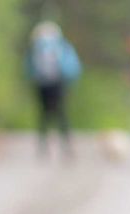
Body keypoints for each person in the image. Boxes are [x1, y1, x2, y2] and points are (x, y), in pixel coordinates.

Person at [26, 21, 82, 158]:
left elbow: (29, 68)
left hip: (42, 84)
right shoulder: (62, 46)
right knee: (62, 114)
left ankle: (43, 147)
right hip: (59, 83)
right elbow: (72, 66)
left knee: (44, 115)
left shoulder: (37, 46)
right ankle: (66, 146)